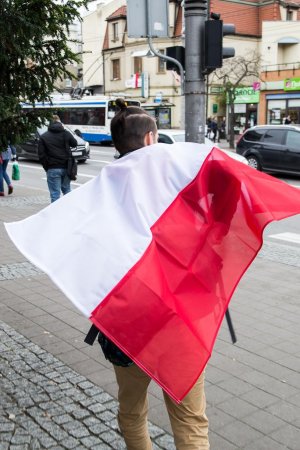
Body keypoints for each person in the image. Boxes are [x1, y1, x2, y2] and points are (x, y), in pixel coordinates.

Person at [87, 98, 209, 450]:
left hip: (128, 324)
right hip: (180, 323)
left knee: (131, 410)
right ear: (151, 140)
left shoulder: (98, 196)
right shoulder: (181, 189)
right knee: (189, 419)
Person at [38, 115, 77, 203]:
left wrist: (46, 167)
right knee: (67, 190)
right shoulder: (66, 133)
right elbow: (74, 143)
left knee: (55, 194)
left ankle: (56, 215)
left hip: (52, 168)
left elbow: (41, 155)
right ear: (60, 123)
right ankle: (69, 211)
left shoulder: (44, 136)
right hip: (67, 167)